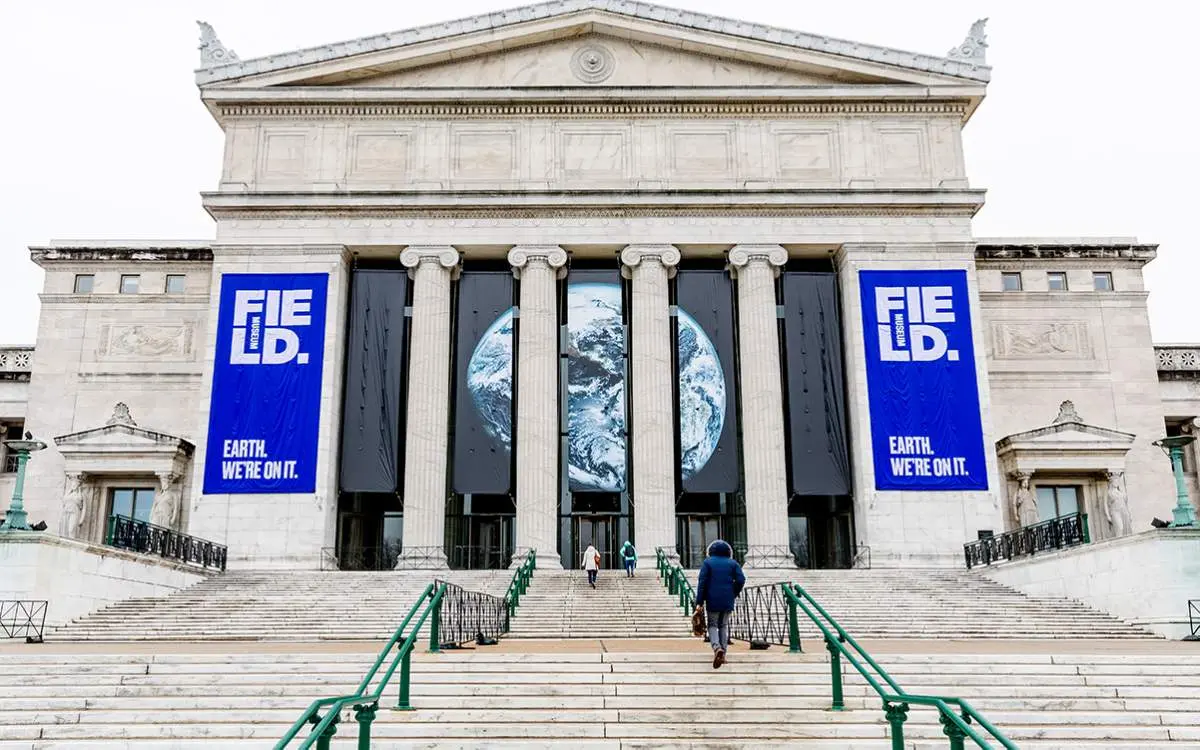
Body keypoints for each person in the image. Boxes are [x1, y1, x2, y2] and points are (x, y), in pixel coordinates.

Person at [694, 539, 745, 669]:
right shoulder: (733, 563)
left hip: (712, 599)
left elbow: (702, 583)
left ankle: (717, 648)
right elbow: (741, 580)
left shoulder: (708, 563)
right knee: (723, 626)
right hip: (728, 599)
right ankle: (723, 654)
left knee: (712, 625)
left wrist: (699, 601)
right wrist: (733, 592)